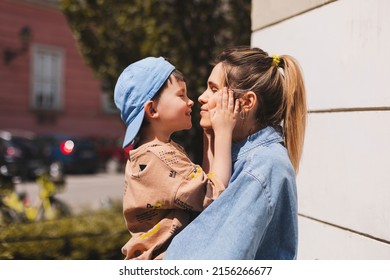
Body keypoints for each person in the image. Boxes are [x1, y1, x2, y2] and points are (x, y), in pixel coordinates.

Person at [164, 46, 307, 260]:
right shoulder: (242, 154)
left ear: (247, 102)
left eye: (213, 89)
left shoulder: (262, 166)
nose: (201, 97)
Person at [114, 57, 239, 260]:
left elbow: (202, 189)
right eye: (181, 95)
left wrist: (209, 138)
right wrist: (225, 132)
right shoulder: (161, 158)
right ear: (152, 110)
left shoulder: (151, 152)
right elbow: (214, 194)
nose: (190, 101)